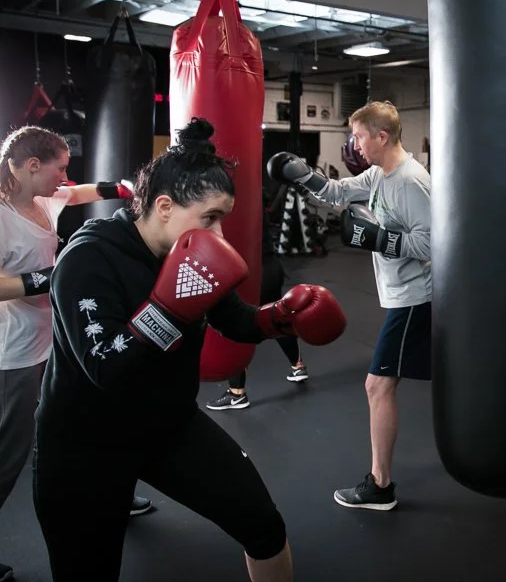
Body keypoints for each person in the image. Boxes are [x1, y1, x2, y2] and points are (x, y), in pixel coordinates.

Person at [32, 117, 347, 581]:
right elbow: (108, 368)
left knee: (263, 525)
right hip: (86, 441)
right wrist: (170, 307)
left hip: (168, 425)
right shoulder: (89, 258)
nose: (217, 235)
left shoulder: (193, 253)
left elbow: (236, 319)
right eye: (210, 218)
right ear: (163, 206)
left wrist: (279, 318)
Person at [0, 126, 153, 580]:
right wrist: (48, 279)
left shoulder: (45, 200)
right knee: (10, 453)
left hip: (59, 339)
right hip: (16, 354)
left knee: (97, 416)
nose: (65, 176)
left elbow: (83, 191)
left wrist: (128, 187)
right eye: (59, 167)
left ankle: (114, 494)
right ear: (31, 167)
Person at [267, 100, 431, 511]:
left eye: (358, 136)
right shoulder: (379, 174)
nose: (353, 144)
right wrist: (303, 175)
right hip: (401, 294)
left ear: (381, 136)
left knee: (377, 384)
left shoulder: (411, 181)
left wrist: (379, 239)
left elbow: (434, 244)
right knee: (400, 380)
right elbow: (337, 193)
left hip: (417, 297)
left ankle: (380, 485)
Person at [206, 208, 308, 411]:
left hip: (244, 271)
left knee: (233, 323)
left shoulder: (221, 204)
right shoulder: (251, 198)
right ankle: (297, 366)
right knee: (275, 317)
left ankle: (236, 393)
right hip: (269, 267)